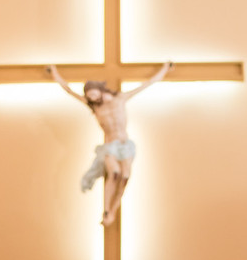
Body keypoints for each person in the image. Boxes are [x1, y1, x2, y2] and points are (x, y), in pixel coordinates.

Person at [47, 61, 172, 225]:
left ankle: (113, 210)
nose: (92, 98)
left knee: (125, 177)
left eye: (93, 94)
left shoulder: (120, 98)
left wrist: (165, 68)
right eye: (89, 96)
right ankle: (106, 211)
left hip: (125, 145)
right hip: (110, 146)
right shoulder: (95, 107)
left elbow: (147, 84)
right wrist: (54, 72)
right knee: (114, 173)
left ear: (99, 89)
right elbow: (68, 90)